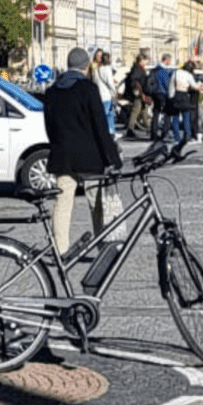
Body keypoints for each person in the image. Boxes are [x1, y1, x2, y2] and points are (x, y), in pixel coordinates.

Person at [42, 47, 123, 256]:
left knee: (62, 204)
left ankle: (61, 251)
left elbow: (49, 126)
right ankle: (102, 248)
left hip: (63, 156)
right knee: (97, 205)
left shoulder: (51, 92)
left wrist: (57, 145)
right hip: (90, 157)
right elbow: (100, 127)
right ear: (86, 67)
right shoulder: (88, 89)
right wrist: (113, 158)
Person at [122, 51, 151, 140]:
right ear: (141, 61)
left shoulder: (140, 69)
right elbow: (134, 81)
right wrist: (138, 90)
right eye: (145, 61)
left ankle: (148, 128)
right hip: (138, 94)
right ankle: (130, 129)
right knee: (136, 111)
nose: (146, 63)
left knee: (144, 111)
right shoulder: (136, 69)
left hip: (141, 93)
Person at [149, 53, 175, 141]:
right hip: (163, 94)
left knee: (155, 114)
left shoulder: (155, 70)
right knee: (167, 114)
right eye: (169, 60)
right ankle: (165, 132)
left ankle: (153, 133)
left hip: (155, 94)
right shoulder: (164, 71)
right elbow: (167, 84)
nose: (170, 62)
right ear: (166, 60)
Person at [92, 49, 117, 135]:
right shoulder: (106, 69)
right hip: (106, 95)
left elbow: (94, 81)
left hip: (99, 94)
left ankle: (111, 130)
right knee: (106, 114)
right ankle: (106, 132)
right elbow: (110, 82)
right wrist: (115, 91)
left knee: (109, 113)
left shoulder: (97, 69)